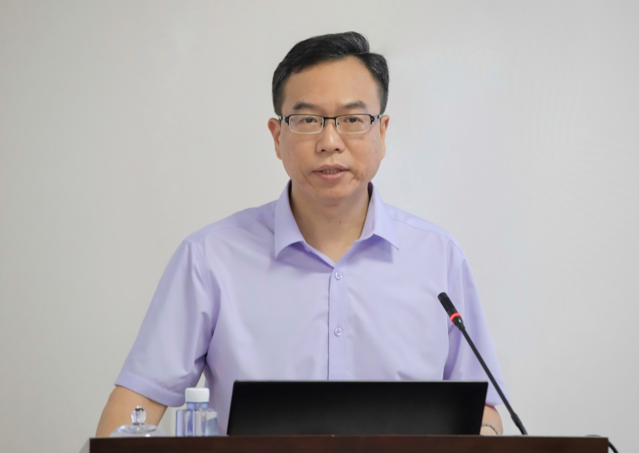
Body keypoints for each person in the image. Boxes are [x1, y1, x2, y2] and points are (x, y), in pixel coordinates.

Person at [96, 31, 506, 437]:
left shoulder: (438, 258)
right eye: (308, 120)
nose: (330, 142)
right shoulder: (210, 259)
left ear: (382, 133)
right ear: (277, 137)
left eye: (352, 120)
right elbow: (133, 409)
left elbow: (483, 412)